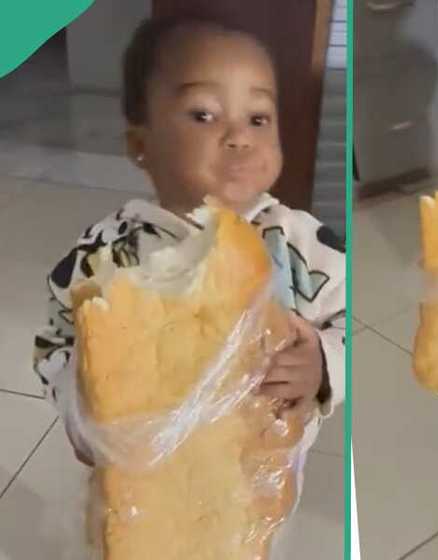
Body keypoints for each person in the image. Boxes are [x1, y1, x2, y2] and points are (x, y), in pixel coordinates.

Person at [32, 17, 345, 474]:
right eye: (204, 114)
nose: (240, 136)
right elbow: (56, 341)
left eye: (258, 118)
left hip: (257, 475)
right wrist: (79, 410)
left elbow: (349, 322)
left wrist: (322, 361)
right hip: (147, 478)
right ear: (142, 144)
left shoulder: (301, 244)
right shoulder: (104, 254)